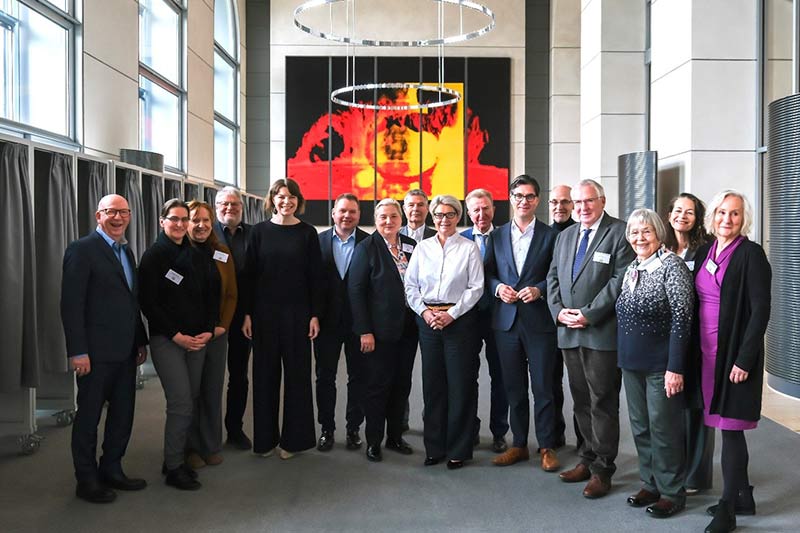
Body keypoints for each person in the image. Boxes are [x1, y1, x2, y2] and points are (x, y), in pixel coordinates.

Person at [546, 179, 634, 499]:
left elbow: (619, 280)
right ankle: (587, 457)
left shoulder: (619, 232)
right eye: (578, 202)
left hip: (600, 332)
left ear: (602, 201)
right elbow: (553, 276)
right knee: (581, 399)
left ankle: (603, 469)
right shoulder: (566, 235)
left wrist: (588, 314)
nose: (583, 207)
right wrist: (559, 311)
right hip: (569, 331)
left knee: (602, 401)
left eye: (589, 201)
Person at [61, 194, 149, 503]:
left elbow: (130, 301)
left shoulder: (126, 251)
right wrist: (78, 351)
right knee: (88, 419)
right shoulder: (82, 250)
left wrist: (140, 340)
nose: (118, 218)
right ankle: (86, 480)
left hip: (125, 351)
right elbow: (71, 305)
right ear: (98, 216)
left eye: (123, 212)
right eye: (111, 212)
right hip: (94, 354)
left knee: (122, 416)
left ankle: (112, 469)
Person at [692, 190, 771, 533]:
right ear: (712, 216)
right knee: (724, 426)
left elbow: (760, 311)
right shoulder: (704, 251)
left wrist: (745, 359)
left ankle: (727, 508)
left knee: (732, 428)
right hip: (707, 352)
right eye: (722, 212)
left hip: (734, 356)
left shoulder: (751, 254)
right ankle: (743, 497)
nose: (728, 219)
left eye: (735, 213)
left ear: (744, 219)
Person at [616, 208, 694, 518]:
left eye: (646, 231)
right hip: (631, 362)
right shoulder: (633, 267)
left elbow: (682, 319)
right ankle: (650, 483)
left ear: (659, 234)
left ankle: (672, 492)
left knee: (664, 429)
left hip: (662, 366)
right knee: (641, 427)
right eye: (634, 232)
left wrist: (676, 367)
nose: (640, 238)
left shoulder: (672, 266)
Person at [139, 198, 220, 490]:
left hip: (198, 340)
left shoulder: (197, 254)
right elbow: (149, 303)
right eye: (173, 219)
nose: (179, 224)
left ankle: (177, 457)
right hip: (168, 340)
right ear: (162, 221)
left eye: (184, 219)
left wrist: (208, 331)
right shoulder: (153, 256)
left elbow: (212, 295)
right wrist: (176, 335)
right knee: (181, 401)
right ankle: (174, 466)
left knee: (191, 398)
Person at [242, 178, 322, 459]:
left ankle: (293, 441)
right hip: (263, 314)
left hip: (298, 315)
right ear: (272, 200)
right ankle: (265, 440)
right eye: (281, 196)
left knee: (298, 378)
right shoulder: (259, 232)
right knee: (264, 376)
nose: (286, 201)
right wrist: (247, 313)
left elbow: (315, 277)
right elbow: (249, 276)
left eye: (291, 197)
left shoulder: (308, 233)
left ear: (298, 201)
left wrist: (315, 315)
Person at [484, 176, 560, 472]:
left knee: (543, 387)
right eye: (518, 195)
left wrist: (540, 289)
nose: (524, 201)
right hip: (506, 322)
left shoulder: (551, 236)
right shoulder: (497, 236)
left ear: (537, 200)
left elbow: (557, 274)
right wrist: (497, 288)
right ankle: (518, 444)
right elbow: (488, 273)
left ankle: (546, 446)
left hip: (539, 321)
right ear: (511, 198)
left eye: (529, 196)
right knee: (513, 386)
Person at [405, 194, 484, 470]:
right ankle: (434, 447)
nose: (444, 220)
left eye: (450, 214)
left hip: (459, 323)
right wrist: (425, 313)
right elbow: (410, 286)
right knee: (433, 386)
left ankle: (458, 449)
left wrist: (452, 314)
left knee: (460, 385)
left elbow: (476, 287)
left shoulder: (469, 248)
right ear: (432, 217)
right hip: (428, 323)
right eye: (439, 214)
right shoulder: (422, 248)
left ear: (458, 217)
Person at [348, 199, 418, 462]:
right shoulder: (366, 248)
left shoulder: (411, 245)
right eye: (383, 217)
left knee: (402, 384)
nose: (388, 221)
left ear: (401, 219)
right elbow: (356, 291)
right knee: (378, 386)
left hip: (409, 329)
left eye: (393, 216)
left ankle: (395, 436)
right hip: (378, 333)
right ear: (375, 220)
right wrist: (364, 330)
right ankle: (374, 440)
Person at [664, 193, 714, 494]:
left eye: (690, 212)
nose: (682, 216)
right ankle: (674, 470)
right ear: (669, 214)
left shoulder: (706, 249)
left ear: (697, 218)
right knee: (672, 407)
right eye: (678, 210)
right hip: (667, 338)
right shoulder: (661, 247)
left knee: (696, 408)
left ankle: (696, 477)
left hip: (698, 338)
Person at [185, 200, 238, 470]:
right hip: (189, 336)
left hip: (216, 333)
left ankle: (211, 445)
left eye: (206, 220)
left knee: (212, 389)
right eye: (195, 220)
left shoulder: (222, 253)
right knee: (190, 392)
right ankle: (190, 448)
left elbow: (231, 295)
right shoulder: (178, 252)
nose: (201, 225)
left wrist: (222, 326)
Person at [315, 193, 369, 452]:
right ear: (333, 213)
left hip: (358, 324)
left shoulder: (369, 243)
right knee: (324, 377)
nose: (347, 216)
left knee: (358, 377)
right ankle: (326, 429)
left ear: (359, 215)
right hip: (326, 323)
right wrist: (313, 316)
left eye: (352, 211)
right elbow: (310, 283)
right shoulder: (317, 242)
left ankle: (353, 429)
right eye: (343, 211)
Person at [461, 189, 509, 453]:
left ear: (494, 209)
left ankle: (499, 431)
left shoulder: (505, 237)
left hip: (499, 317)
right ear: (468, 213)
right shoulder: (460, 240)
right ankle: (470, 429)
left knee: (500, 376)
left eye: (486, 208)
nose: (481, 214)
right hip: (467, 319)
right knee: (466, 376)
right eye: (476, 209)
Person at [213, 186, 253, 450]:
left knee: (239, 375)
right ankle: (208, 433)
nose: (229, 208)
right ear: (216, 207)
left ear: (242, 207)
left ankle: (234, 428)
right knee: (209, 377)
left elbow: (256, 276)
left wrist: (250, 313)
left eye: (234, 204)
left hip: (242, 317)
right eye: (224, 204)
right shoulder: (206, 232)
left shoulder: (253, 234)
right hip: (212, 316)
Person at [548, 184, 579, 450]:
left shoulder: (581, 234)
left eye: (565, 201)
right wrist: (556, 310)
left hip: (578, 322)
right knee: (551, 382)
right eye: (555, 202)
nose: (560, 207)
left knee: (581, 384)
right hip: (550, 321)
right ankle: (555, 434)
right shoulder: (544, 235)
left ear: (573, 204)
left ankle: (584, 439)